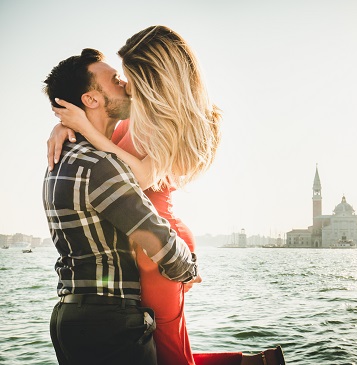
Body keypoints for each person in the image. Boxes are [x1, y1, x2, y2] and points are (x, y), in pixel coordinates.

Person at [48, 26, 285, 365]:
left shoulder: (166, 123)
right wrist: (65, 125)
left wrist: (83, 128)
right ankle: (256, 363)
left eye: (128, 77)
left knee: (170, 356)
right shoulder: (133, 115)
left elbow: (141, 175)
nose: (124, 85)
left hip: (158, 246)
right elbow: (101, 134)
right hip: (145, 245)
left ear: (153, 78)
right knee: (159, 353)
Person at [43, 48, 201, 365]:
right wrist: (189, 269)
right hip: (109, 321)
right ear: (91, 100)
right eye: (115, 80)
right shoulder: (100, 167)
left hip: (68, 314)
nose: (125, 84)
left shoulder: (60, 159)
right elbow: (159, 241)